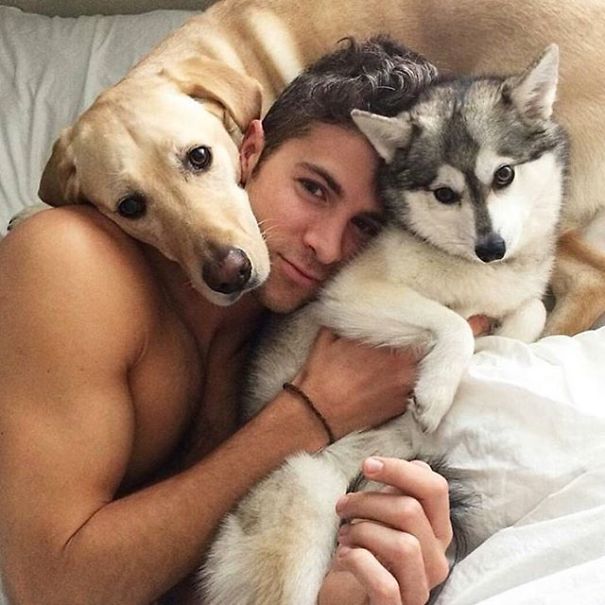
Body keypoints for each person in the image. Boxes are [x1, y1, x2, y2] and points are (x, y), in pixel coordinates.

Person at [0, 38, 482, 605]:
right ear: (248, 150)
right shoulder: (70, 258)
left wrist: (351, 580)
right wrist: (308, 414)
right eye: (313, 189)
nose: (326, 246)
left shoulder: (287, 337)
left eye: (367, 226)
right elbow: (53, 587)